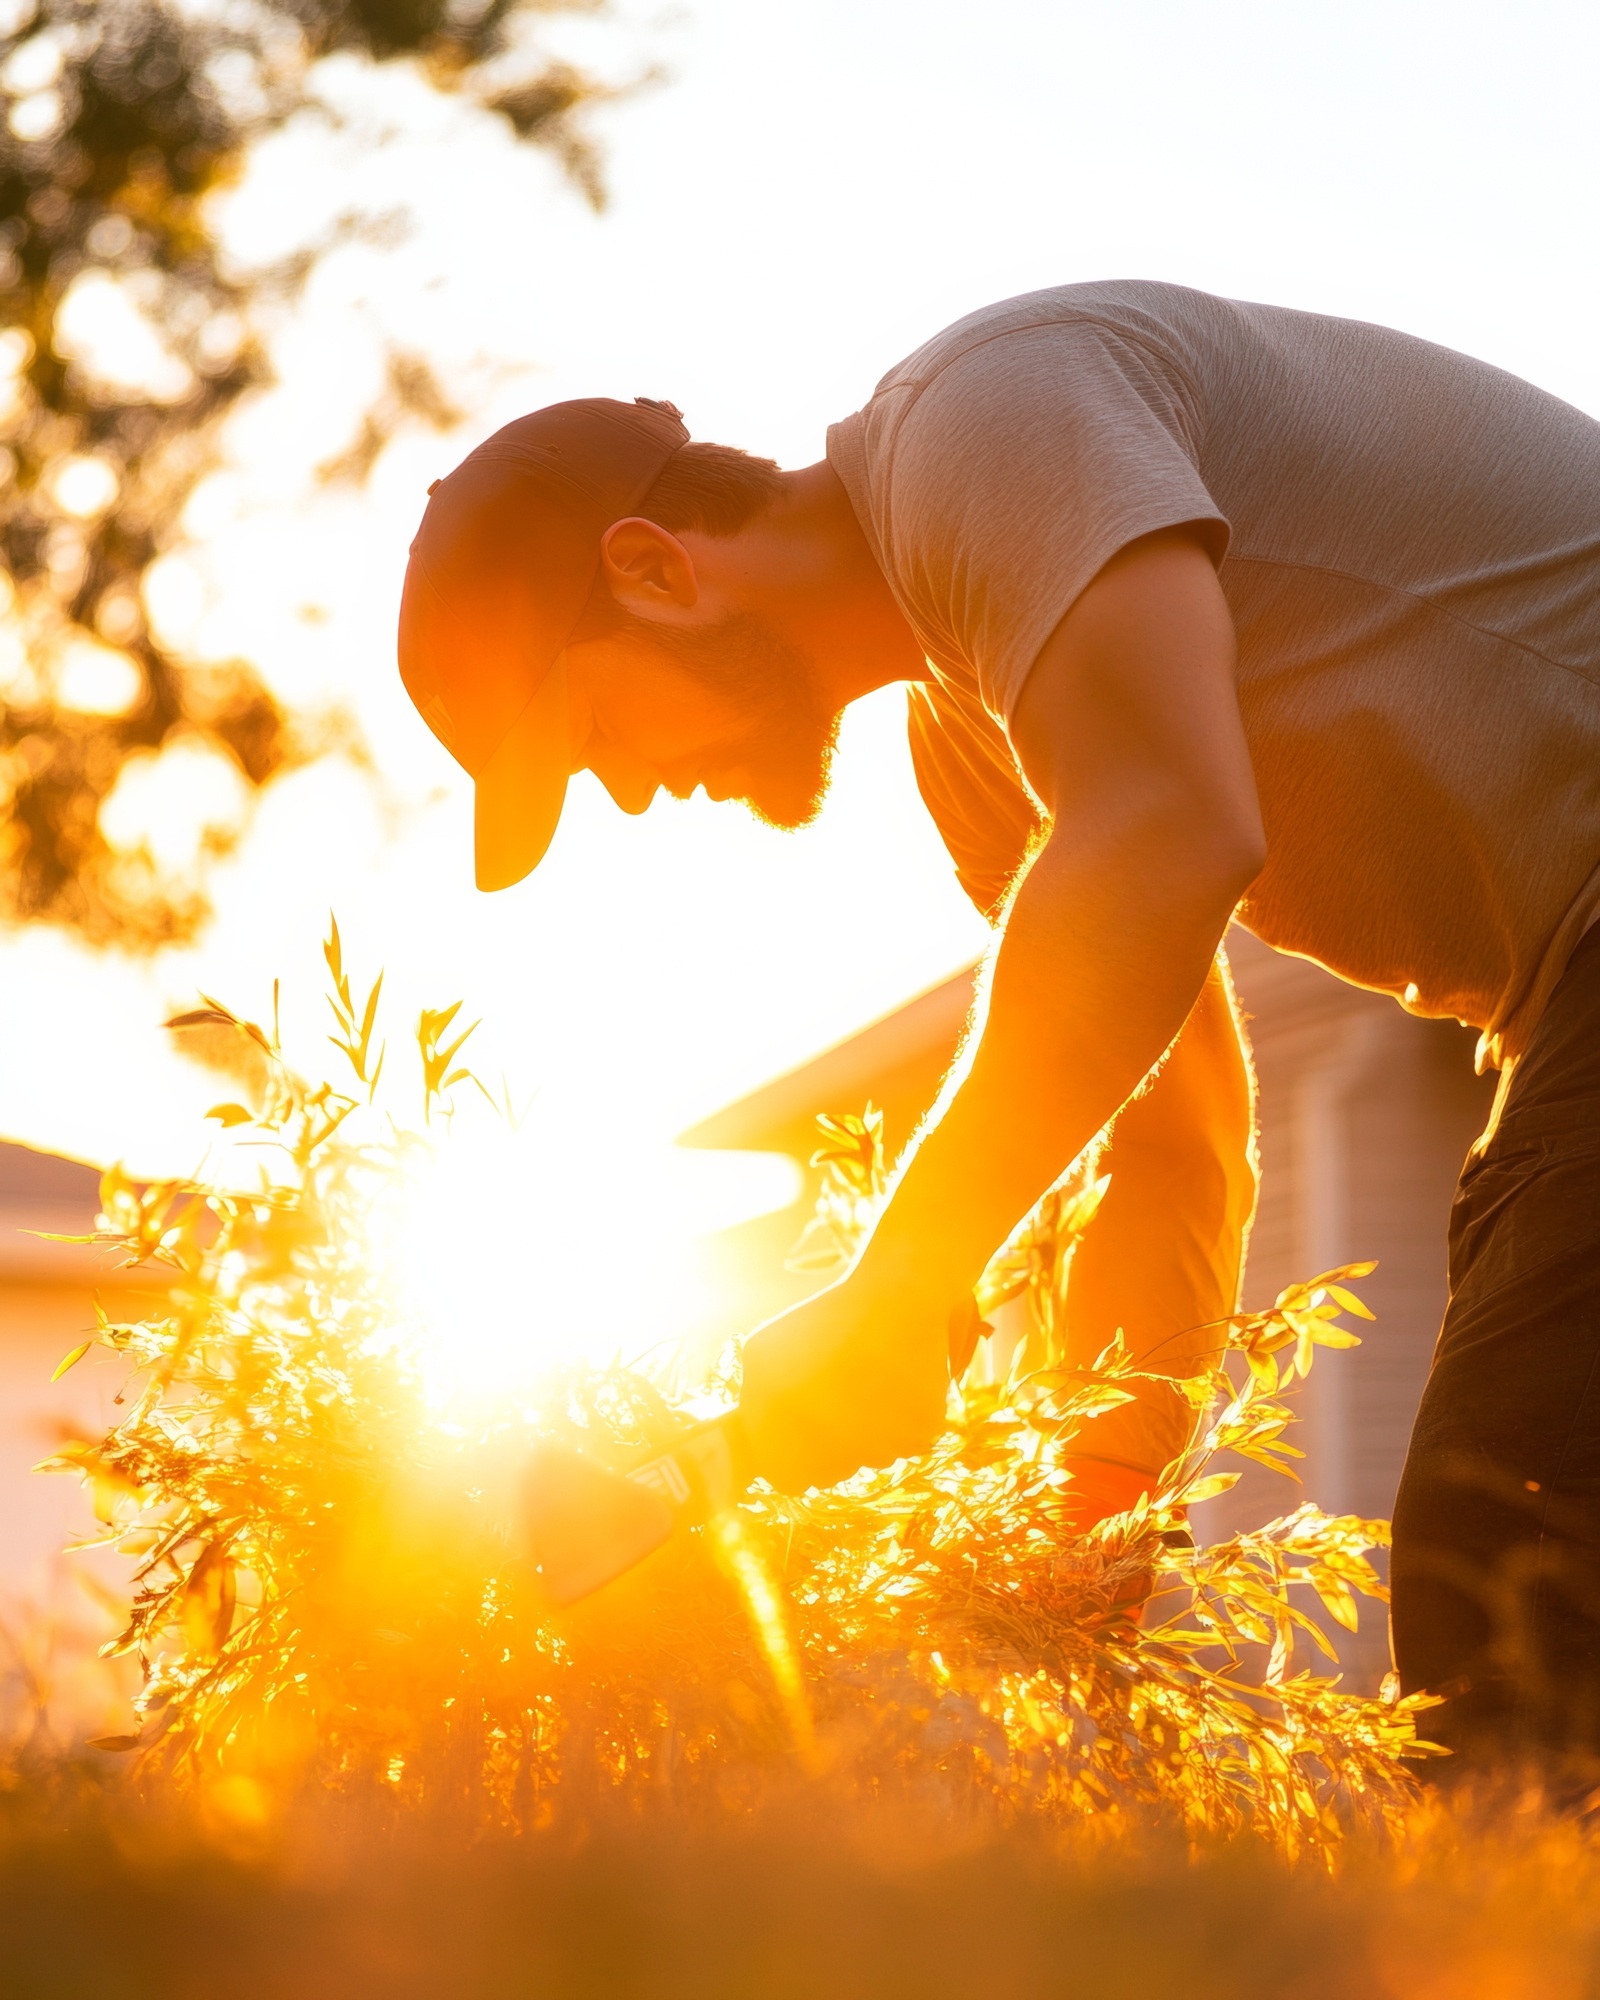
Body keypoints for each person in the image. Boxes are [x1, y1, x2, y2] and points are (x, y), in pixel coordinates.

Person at [397, 281, 1600, 1771]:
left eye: (593, 739)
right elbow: (1175, 1148)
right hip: (1558, 1018)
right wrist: (1084, 1549)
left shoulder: (989, 415)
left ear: (651, 571)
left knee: (1517, 1554)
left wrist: (903, 1281)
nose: (634, 792)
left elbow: (1170, 830)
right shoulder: (978, 740)